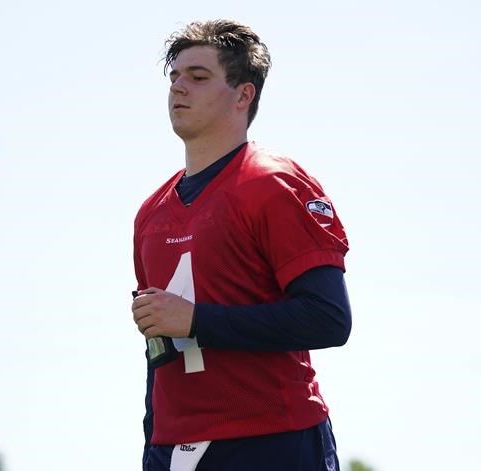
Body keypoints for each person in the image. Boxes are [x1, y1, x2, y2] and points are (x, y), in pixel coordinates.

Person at [131, 19, 352, 471]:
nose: (178, 88)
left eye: (198, 76)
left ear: (243, 95)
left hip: (272, 438)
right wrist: (152, 442)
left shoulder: (274, 184)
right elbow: (160, 349)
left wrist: (198, 320)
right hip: (175, 448)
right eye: (174, 76)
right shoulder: (151, 213)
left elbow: (329, 318)